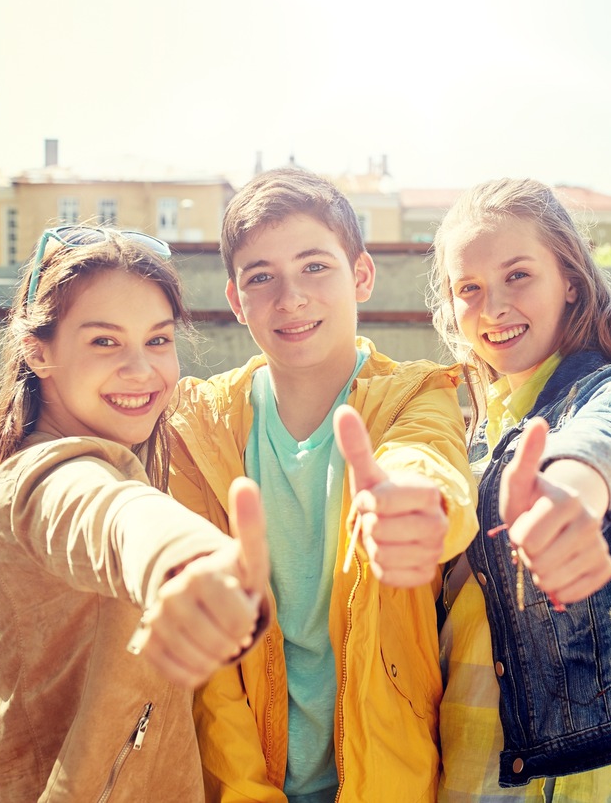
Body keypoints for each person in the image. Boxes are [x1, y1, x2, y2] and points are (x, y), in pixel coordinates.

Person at [167, 168, 478, 802]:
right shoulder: (199, 423)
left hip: (389, 773)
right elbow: (211, 675)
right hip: (244, 773)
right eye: (262, 278)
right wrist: (245, 791)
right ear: (235, 299)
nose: (291, 298)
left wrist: (420, 510)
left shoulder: (414, 392)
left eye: (315, 267)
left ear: (361, 274)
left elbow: (428, 461)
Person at [0, 225, 271, 801]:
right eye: (104, 342)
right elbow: (108, 513)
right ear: (37, 350)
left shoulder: (120, 453)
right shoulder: (37, 476)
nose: (141, 370)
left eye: (157, 340)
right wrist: (186, 561)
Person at [427, 178, 611, 801]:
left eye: (518, 276)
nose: (492, 308)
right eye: (470, 289)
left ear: (570, 279)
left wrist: (573, 487)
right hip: (460, 755)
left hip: (562, 784)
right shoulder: (479, 424)